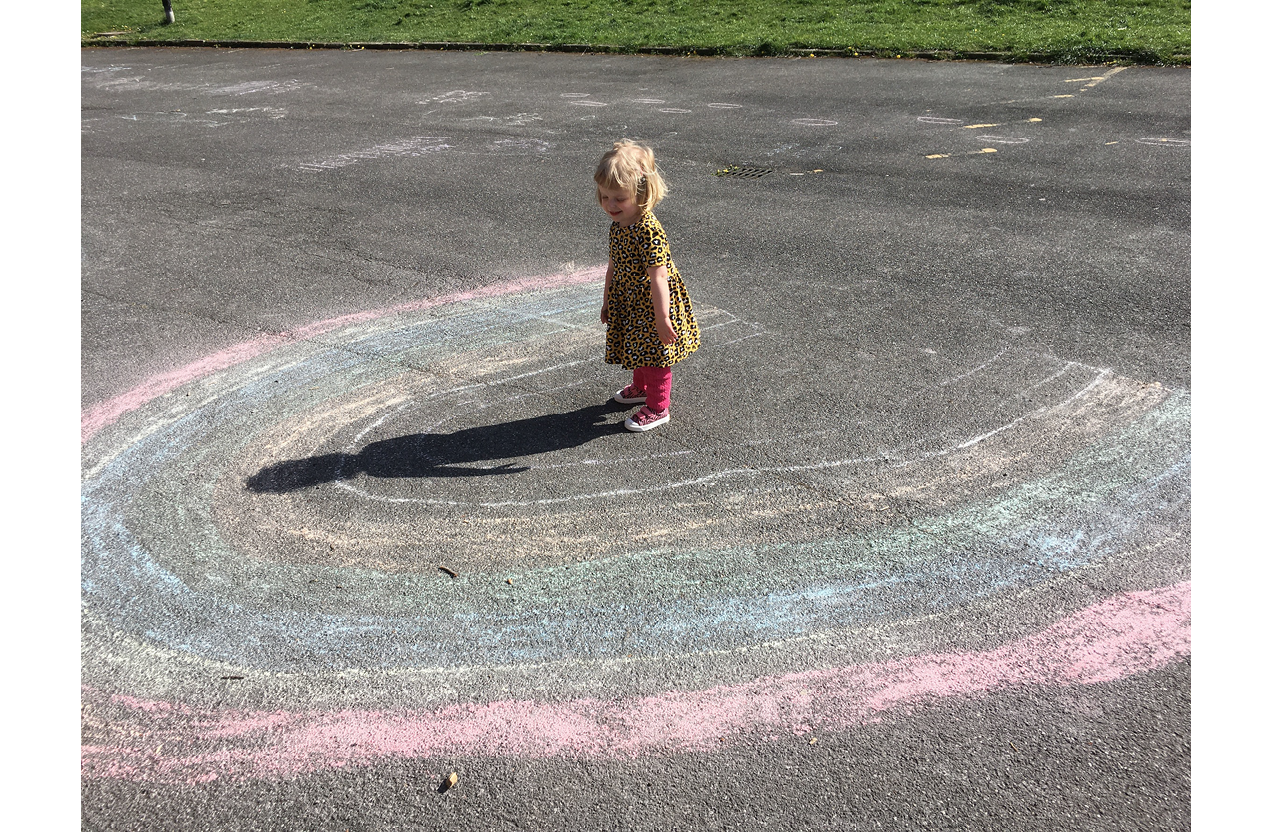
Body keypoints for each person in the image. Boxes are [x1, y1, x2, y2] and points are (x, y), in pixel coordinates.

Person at [594, 140, 700, 432]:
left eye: (619, 198)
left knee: (654, 353)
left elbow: (659, 276)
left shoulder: (649, 229)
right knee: (636, 346)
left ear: (641, 193)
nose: (610, 205)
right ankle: (641, 388)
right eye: (604, 197)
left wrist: (662, 317)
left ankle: (658, 406)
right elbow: (613, 266)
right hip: (629, 298)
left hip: (652, 301)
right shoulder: (618, 226)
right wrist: (606, 301)